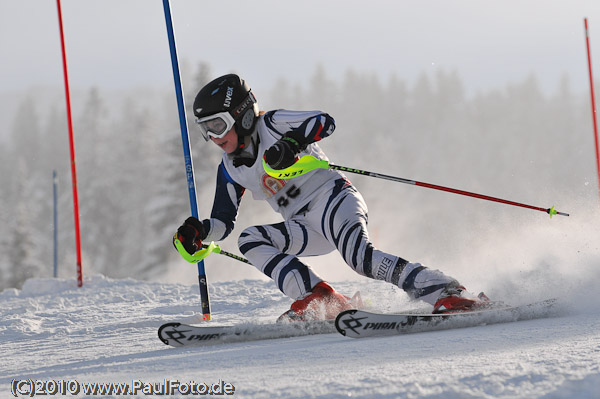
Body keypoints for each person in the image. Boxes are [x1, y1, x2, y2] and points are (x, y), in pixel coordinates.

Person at [175, 73, 483, 321]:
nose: (214, 137)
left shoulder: (273, 124)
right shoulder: (229, 167)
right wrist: (200, 231)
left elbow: (323, 121)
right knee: (250, 239)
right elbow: (223, 222)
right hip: (304, 226)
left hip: (334, 200)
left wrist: (291, 144)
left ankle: (446, 290)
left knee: (359, 259)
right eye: (206, 130)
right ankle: (318, 297)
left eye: (217, 125)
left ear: (240, 115)